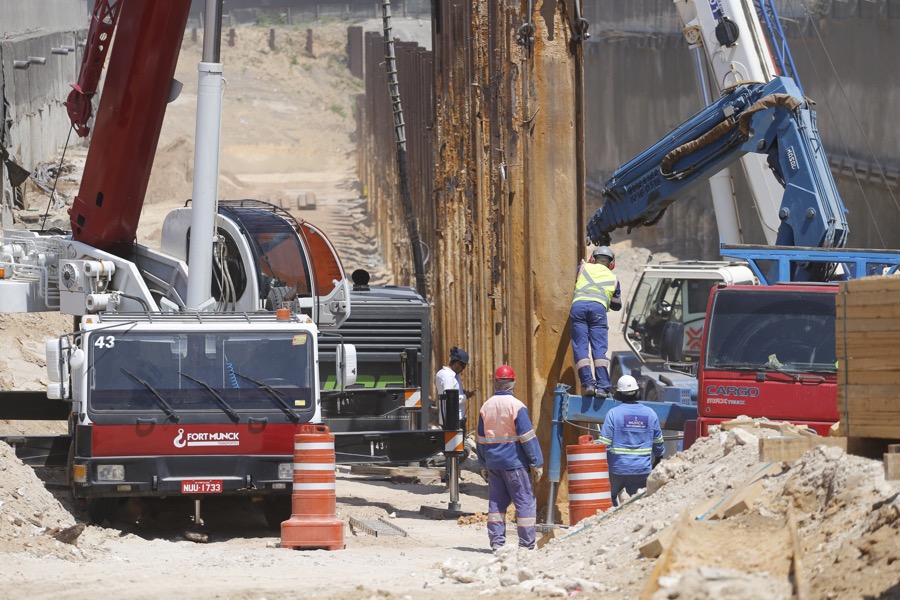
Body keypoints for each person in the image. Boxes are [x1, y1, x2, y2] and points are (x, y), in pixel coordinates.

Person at [476, 365, 543, 551]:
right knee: (525, 502)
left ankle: (497, 544)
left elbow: (480, 439)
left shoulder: (486, 406)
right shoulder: (517, 406)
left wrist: (482, 464)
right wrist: (536, 462)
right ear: (513, 383)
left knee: (496, 504)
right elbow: (528, 437)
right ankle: (527, 545)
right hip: (514, 463)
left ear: (495, 382)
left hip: (493, 464)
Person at [596, 375, 665, 506]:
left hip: (616, 469)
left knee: (607, 501)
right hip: (641, 470)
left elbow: (604, 444)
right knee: (636, 503)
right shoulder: (650, 413)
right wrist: (658, 459)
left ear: (619, 394)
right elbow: (658, 442)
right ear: (637, 392)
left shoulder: (613, 413)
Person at [570, 245, 622, 397]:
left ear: (593, 259)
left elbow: (574, 279)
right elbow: (617, 305)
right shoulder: (614, 279)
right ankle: (603, 387)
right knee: (599, 349)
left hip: (578, 307)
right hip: (598, 311)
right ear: (611, 264)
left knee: (580, 347)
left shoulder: (582, 268)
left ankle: (588, 384)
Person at [435, 346, 475, 430]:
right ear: (457, 364)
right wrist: (466, 396)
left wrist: (462, 392)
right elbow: (450, 399)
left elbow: (447, 392)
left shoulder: (442, 373)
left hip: (448, 418)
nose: (463, 370)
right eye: (463, 367)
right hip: (453, 420)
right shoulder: (449, 377)